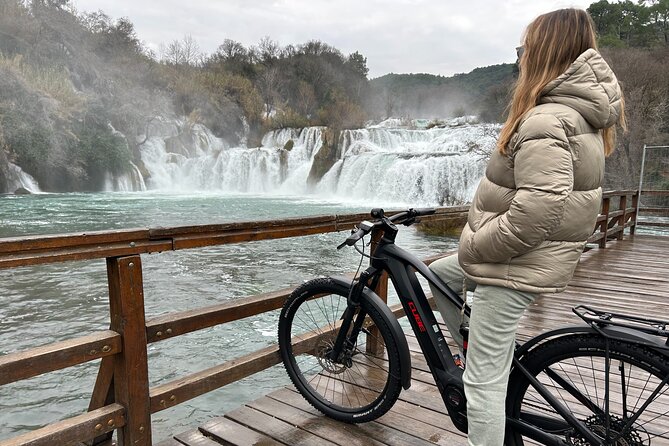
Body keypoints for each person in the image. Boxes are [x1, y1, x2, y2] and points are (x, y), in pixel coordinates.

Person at [428, 8, 626, 446]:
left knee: (481, 386)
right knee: (440, 274)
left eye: (525, 47)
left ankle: (485, 365)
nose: (520, 57)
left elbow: (538, 209)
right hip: (530, 256)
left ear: (544, 52)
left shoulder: (546, 119)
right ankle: (479, 344)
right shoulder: (575, 113)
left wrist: (479, 245)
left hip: (514, 264)